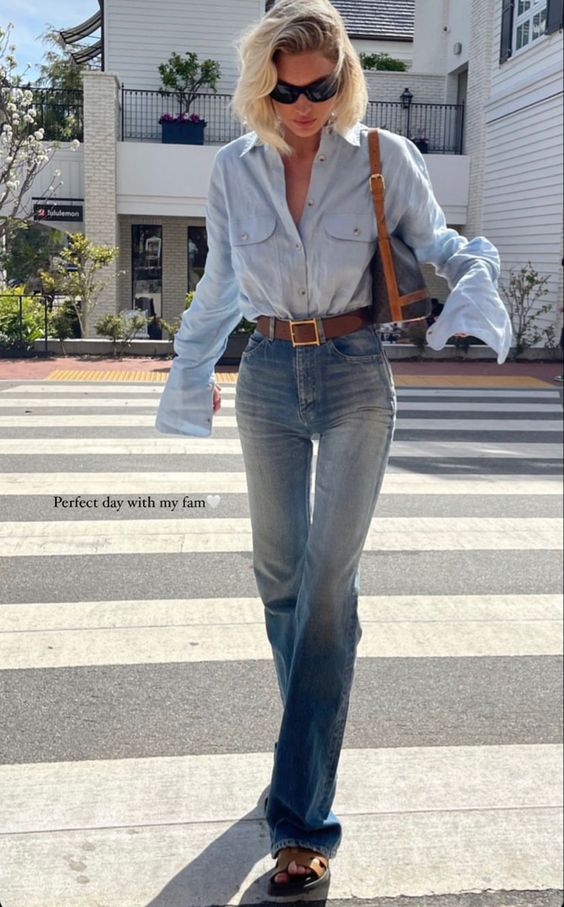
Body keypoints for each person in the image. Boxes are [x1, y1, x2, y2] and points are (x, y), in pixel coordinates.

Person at [155, 0, 512, 894]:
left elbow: (442, 244)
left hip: (356, 374)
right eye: (286, 90)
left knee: (326, 591)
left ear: (343, 79)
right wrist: (190, 369)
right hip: (269, 372)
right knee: (279, 578)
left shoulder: (385, 158)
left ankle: (303, 821)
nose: (304, 105)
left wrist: (476, 286)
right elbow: (221, 283)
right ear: (261, 86)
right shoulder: (233, 169)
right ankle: (302, 756)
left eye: (319, 87)